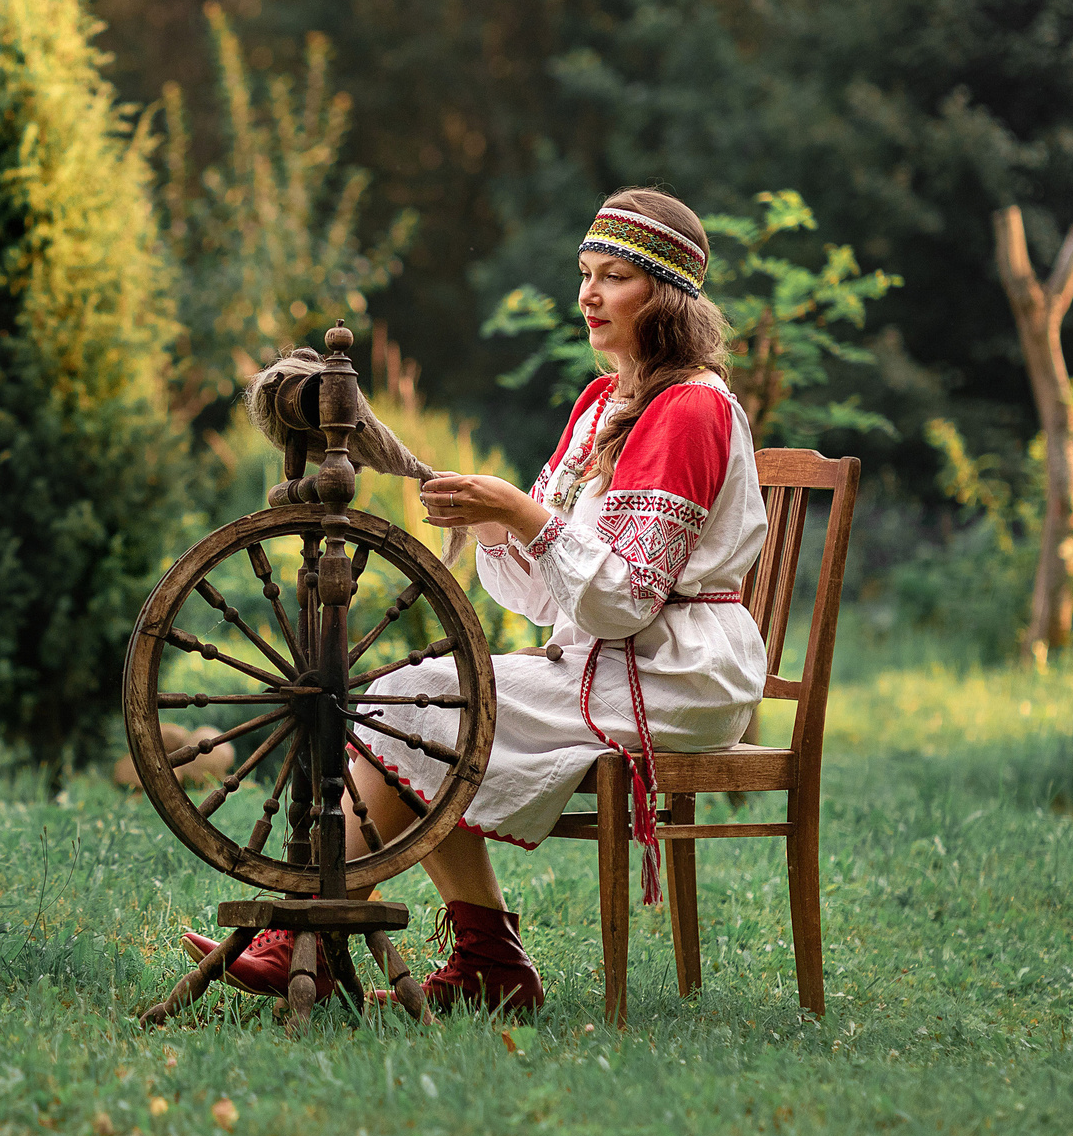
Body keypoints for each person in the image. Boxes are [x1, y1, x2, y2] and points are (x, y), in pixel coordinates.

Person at [184, 186, 769, 1013]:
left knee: (409, 703)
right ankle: (480, 955)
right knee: (415, 704)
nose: (588, 297)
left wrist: (521, 510)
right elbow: (545, 590)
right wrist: (494, 523)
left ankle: (310, 930)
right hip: (614, 658)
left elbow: (628, 598)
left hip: (680, 675)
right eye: (584, 273)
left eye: (611, 278)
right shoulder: (605, 404)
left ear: (666, 297)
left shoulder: (692, 409)